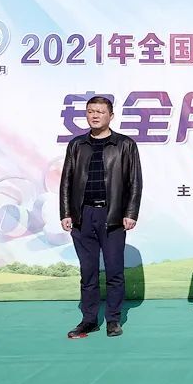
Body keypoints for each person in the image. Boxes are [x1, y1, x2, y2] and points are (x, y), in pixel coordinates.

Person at [60, 96, 142, 339]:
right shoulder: (77, 145)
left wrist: (130, 213)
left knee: (115, 271)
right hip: (83, 215)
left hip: (112, 215)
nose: (95, 115)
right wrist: (66, 212)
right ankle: (89, 320)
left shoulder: (125, 144)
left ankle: (113, 320)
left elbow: (134, 181)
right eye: (90, 111)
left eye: (100, 112)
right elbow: (66, 181)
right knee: (88, 272)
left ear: (111, 116)